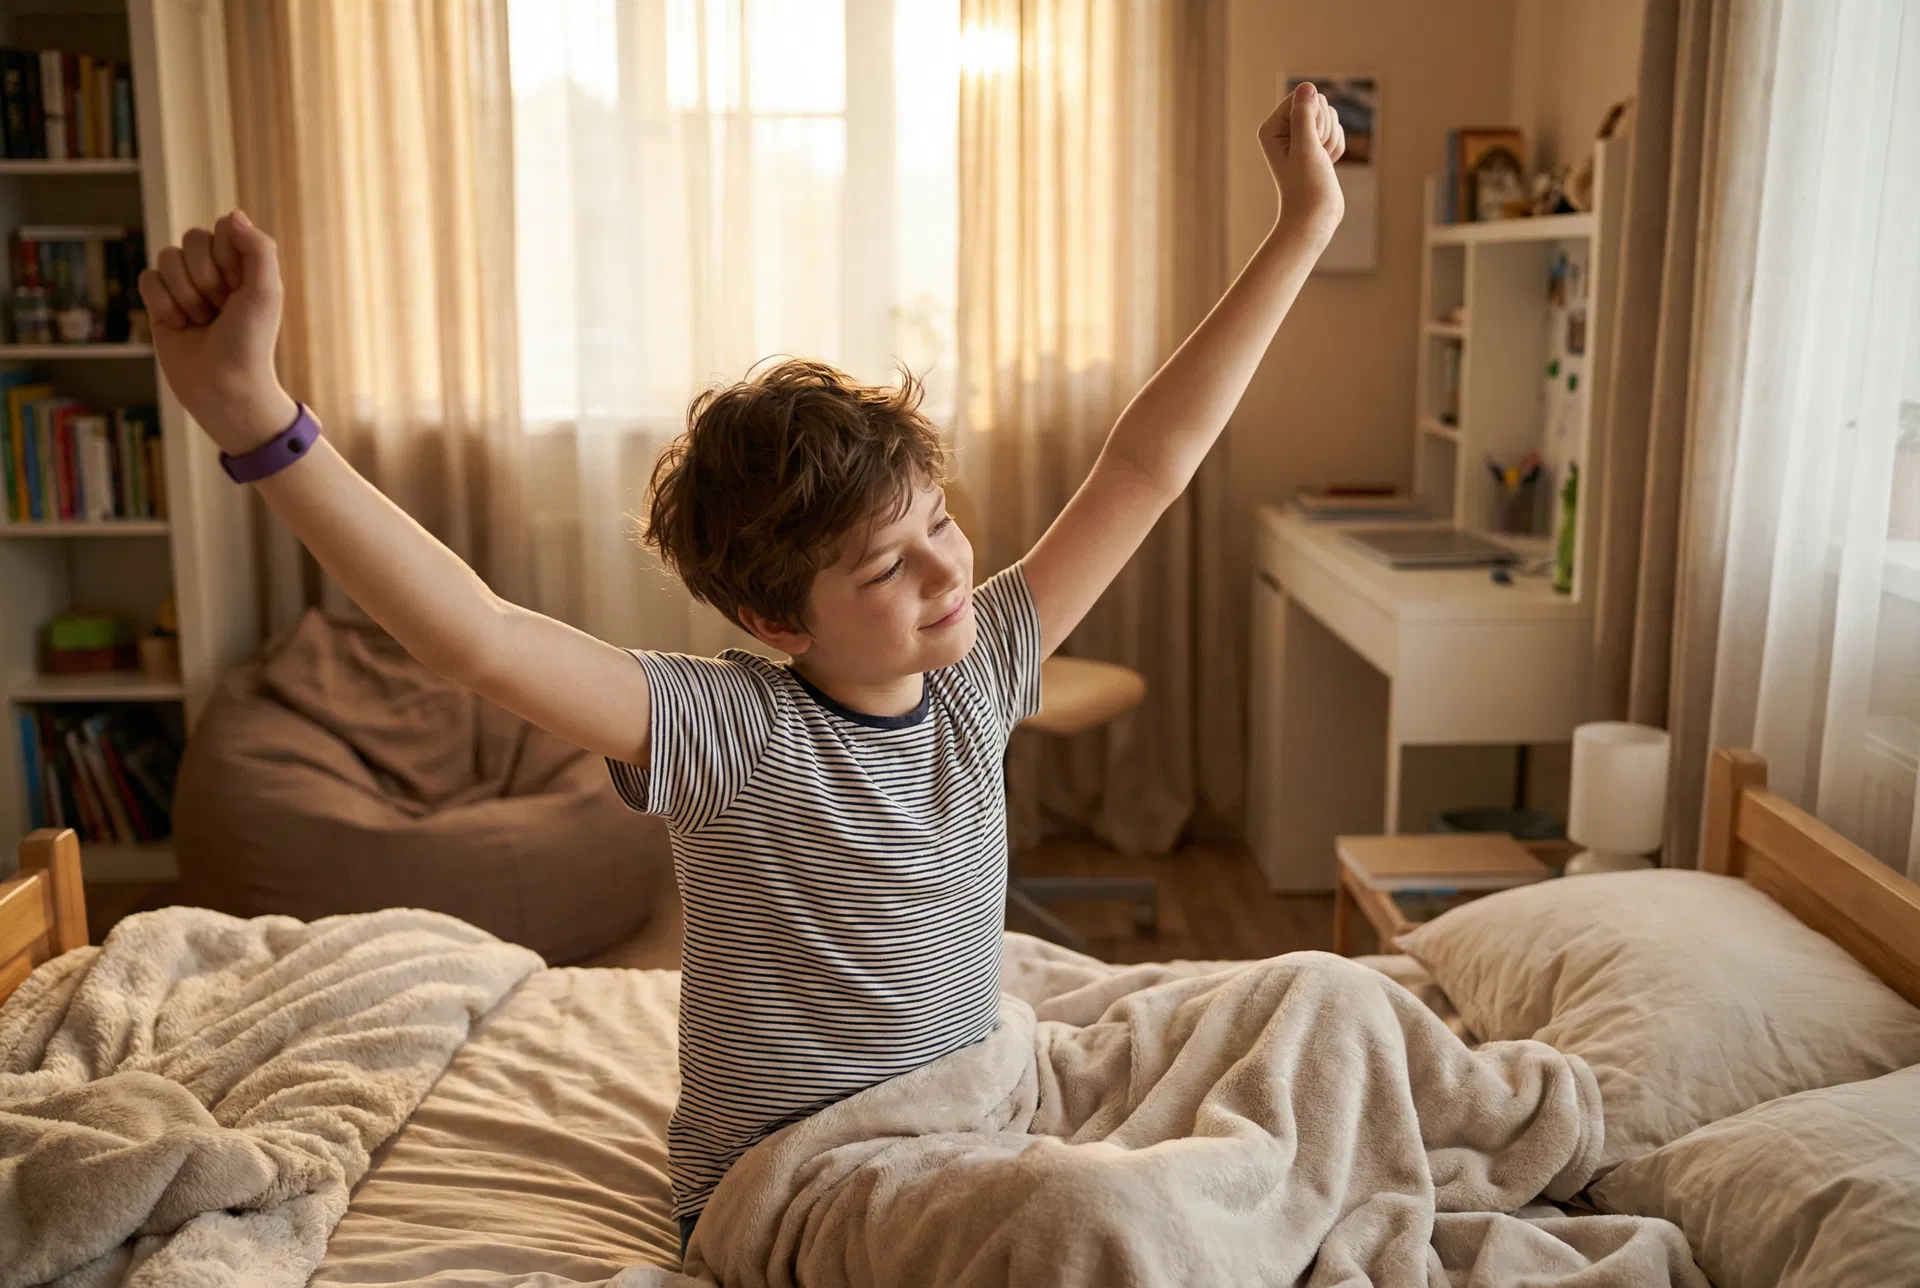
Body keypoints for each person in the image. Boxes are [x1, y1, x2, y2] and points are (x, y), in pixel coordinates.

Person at [138, 81, 1345, 1261]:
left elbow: (1147, 462)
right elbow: (479, 637)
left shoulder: (980, 663)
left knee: (1313, 1003)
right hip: (811, 1173)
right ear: (779, 620)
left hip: (981, 1098)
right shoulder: (732, 733)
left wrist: (1302, 227)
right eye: (886, 569)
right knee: (1093, 1223)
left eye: (940, 524)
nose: (942, 575)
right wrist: (260, 422)